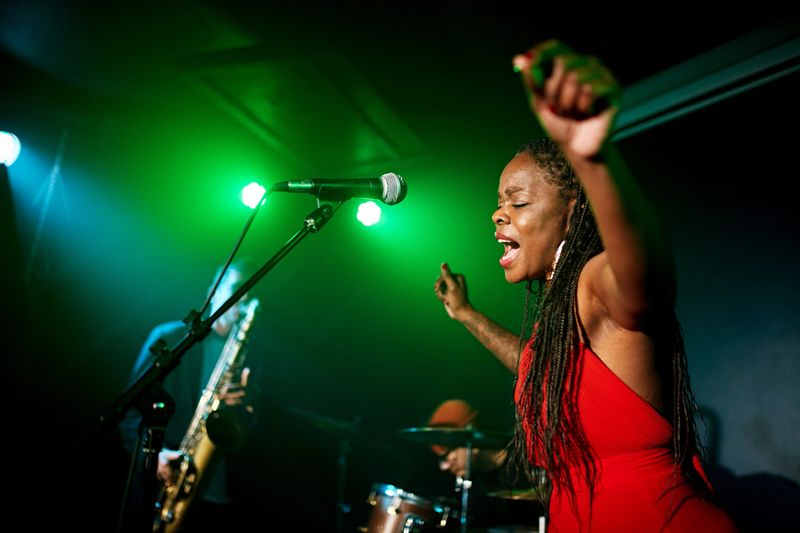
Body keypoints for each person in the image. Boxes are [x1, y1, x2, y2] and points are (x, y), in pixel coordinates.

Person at [434, 40, 738, 532]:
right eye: (498, 202)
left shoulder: (595, 279)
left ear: (572, 213)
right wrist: (467, 314)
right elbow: (536, 367)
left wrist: (593, 159)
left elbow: (645, 276)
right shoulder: (560, 320)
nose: (498, 213)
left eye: (519, 202)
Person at [118, 259, 259, 532]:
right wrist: (153, 455)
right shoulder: (172, 338)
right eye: (239, 287)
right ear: (213, 292)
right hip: (164, 483)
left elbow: (252, 434)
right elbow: (130, 412)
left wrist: (248, 407)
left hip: (216, 494)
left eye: (252, 291)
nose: (246, 297)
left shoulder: (253, 357)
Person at [424, 399, 543, 532]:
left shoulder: (529, 456)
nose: (444, 466)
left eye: (447, 454)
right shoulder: (474, 488)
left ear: (473, 438)